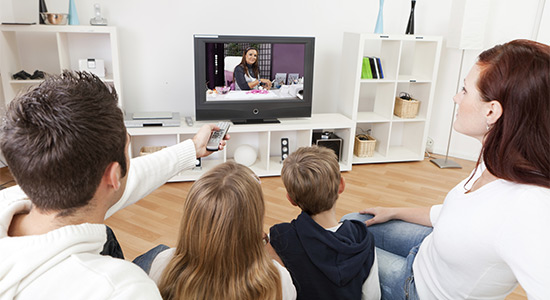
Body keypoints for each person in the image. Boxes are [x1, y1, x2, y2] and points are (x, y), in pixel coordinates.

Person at [343, 39, 550, 299]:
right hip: (427, 250)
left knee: (337, 246)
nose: (455, 98)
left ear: (492, 111)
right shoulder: (498, 158)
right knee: (351, 223)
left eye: (464, 90)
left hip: (417, 288)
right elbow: (456, 213)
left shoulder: (529, 206)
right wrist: (394, 211)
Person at [0, 71, 228, 299]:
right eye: (127, 146)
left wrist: (192, 148)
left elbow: (131, 177)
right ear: (113, 176)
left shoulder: (16, 196)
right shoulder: (125, 289)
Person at [135, 161, 296, 300]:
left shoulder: (163, 265)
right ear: (253, 222)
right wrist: (263, 241)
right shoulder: (278, 280)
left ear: (192, 219)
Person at [269, 146, 381, 300]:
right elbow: (372, 296)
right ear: (341, 185)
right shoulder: (362, 238)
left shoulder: (280, 237)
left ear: (291, 199)